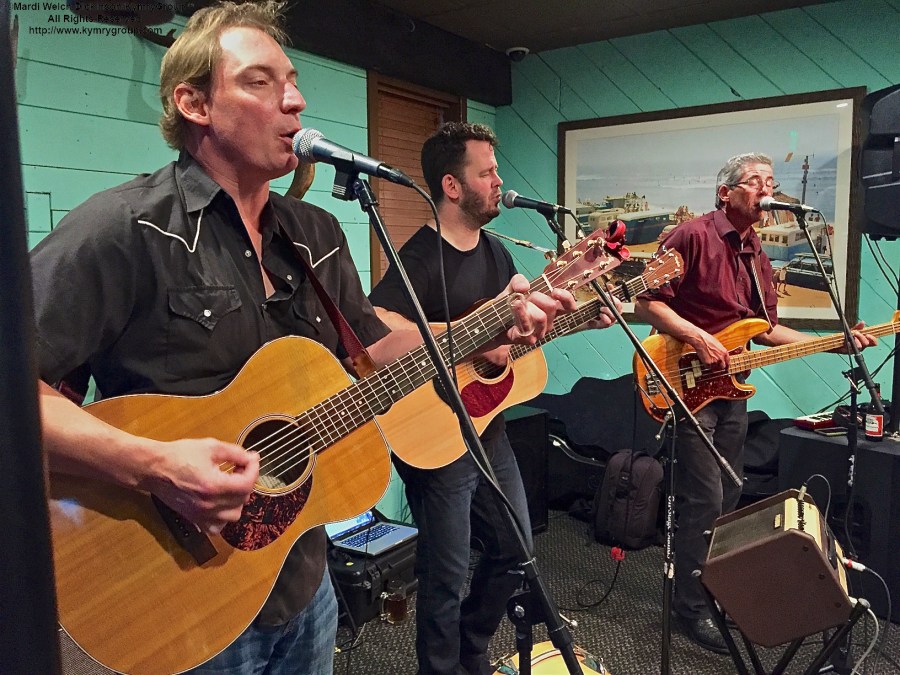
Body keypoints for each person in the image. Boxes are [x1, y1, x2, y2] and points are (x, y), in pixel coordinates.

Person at [30, 5, 567, 674]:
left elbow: (374, 351)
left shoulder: (314, 233)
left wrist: (487, 324)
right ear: (193, 102)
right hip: (179, 594)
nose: (296, 99)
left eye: (293, 80)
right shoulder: (123, 230)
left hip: (302, 579)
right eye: (261, 81)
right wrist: (156, 465)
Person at [369, 122, 617, 675]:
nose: (500, 182)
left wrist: (578, 322)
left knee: (516, 551)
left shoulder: (499, 256)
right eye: (488, 173)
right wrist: (472, 335)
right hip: (434, 430)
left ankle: (470, 647)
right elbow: (379, 334)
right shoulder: (418, 257)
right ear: (452, 186)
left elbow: (520, 342)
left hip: (489, 429)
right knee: (447, 570)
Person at [634, 153, 876, 654]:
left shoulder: (755, 251)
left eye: (772, 182)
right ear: (726, 192)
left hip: (733, 387)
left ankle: (716, 590)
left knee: (728, 494)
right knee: (702, 499)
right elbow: (646, 302)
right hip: (687, 382)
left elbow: (762, 329)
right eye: (756, 182)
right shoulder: (693, 236)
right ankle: (690, 610)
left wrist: (835, 341)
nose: (767, 190)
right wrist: (698, 338)